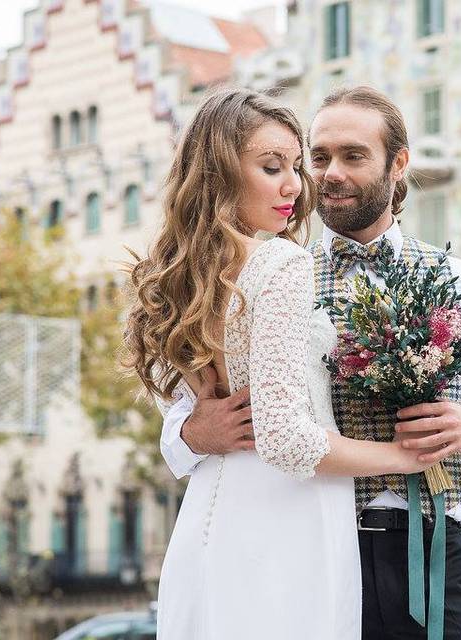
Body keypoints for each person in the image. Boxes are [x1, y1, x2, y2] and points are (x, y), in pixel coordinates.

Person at [162, 86, 461, 639]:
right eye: (318, 158)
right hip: (321, 544)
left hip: (434, 548)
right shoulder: (271, 271)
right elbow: (179, 423)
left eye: (353, 156)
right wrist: (196, 433)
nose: (328, 173)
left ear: (399, 164)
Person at [123, 88, 430, 640]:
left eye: (295, 164)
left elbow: (197, 415)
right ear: (219, 173)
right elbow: (287, 440)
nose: (294, 185)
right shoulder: (282, 262)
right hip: (287, 525)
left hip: (207, 519)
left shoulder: (181, 278)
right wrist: (406, 458)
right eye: (271, 167)